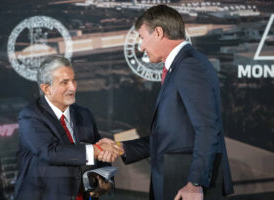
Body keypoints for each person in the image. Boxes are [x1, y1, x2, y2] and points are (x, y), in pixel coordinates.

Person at [98, 5, 234, 200]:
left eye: (143, 38)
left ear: (159, 32)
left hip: (186, 185)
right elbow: (171, 136)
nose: (141, 47)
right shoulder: (179, 66)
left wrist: (195, 184)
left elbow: (207, 128)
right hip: (174, 179)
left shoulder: (189, 65)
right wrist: (121, 148)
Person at [14, 56, 119, 200]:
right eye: (65, 82)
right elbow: (49, 152)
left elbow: (101, 158)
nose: (73, 87)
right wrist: (95, 150)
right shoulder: (30, 116)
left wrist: (106, 180)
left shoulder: (84, 114)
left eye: (73, 80)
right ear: (46, 88)